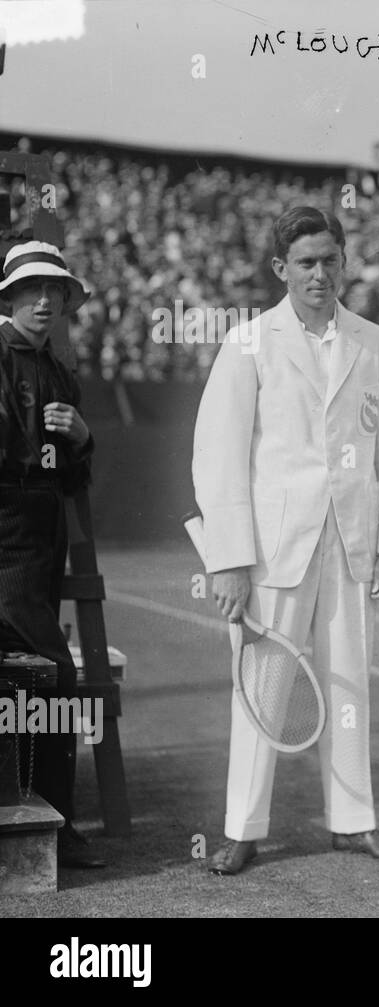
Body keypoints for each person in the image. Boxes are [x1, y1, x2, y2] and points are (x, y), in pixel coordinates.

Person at [192, 207, 379, 875]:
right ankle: (244, 828)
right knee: (261, 687)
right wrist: (228, 560)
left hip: (351, 538)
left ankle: (353, 821)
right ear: (281, 269)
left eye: (330, 259)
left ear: (345, 261)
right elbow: (218, 454)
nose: (320, 273)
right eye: (306, 262)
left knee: (349, 683)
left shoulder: (374, 341)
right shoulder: (249, 342)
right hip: (272, 547)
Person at [0, 240, 103, 869]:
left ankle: (56, 823)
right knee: (54, 678)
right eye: (32, 290)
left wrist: (81, 438)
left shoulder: (60, 373)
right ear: (8, 297)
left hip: (39, 547)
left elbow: (71, 479)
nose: (45, 300)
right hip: (5, 540)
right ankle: (55, 824)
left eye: (55, 291)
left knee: (52, 681)